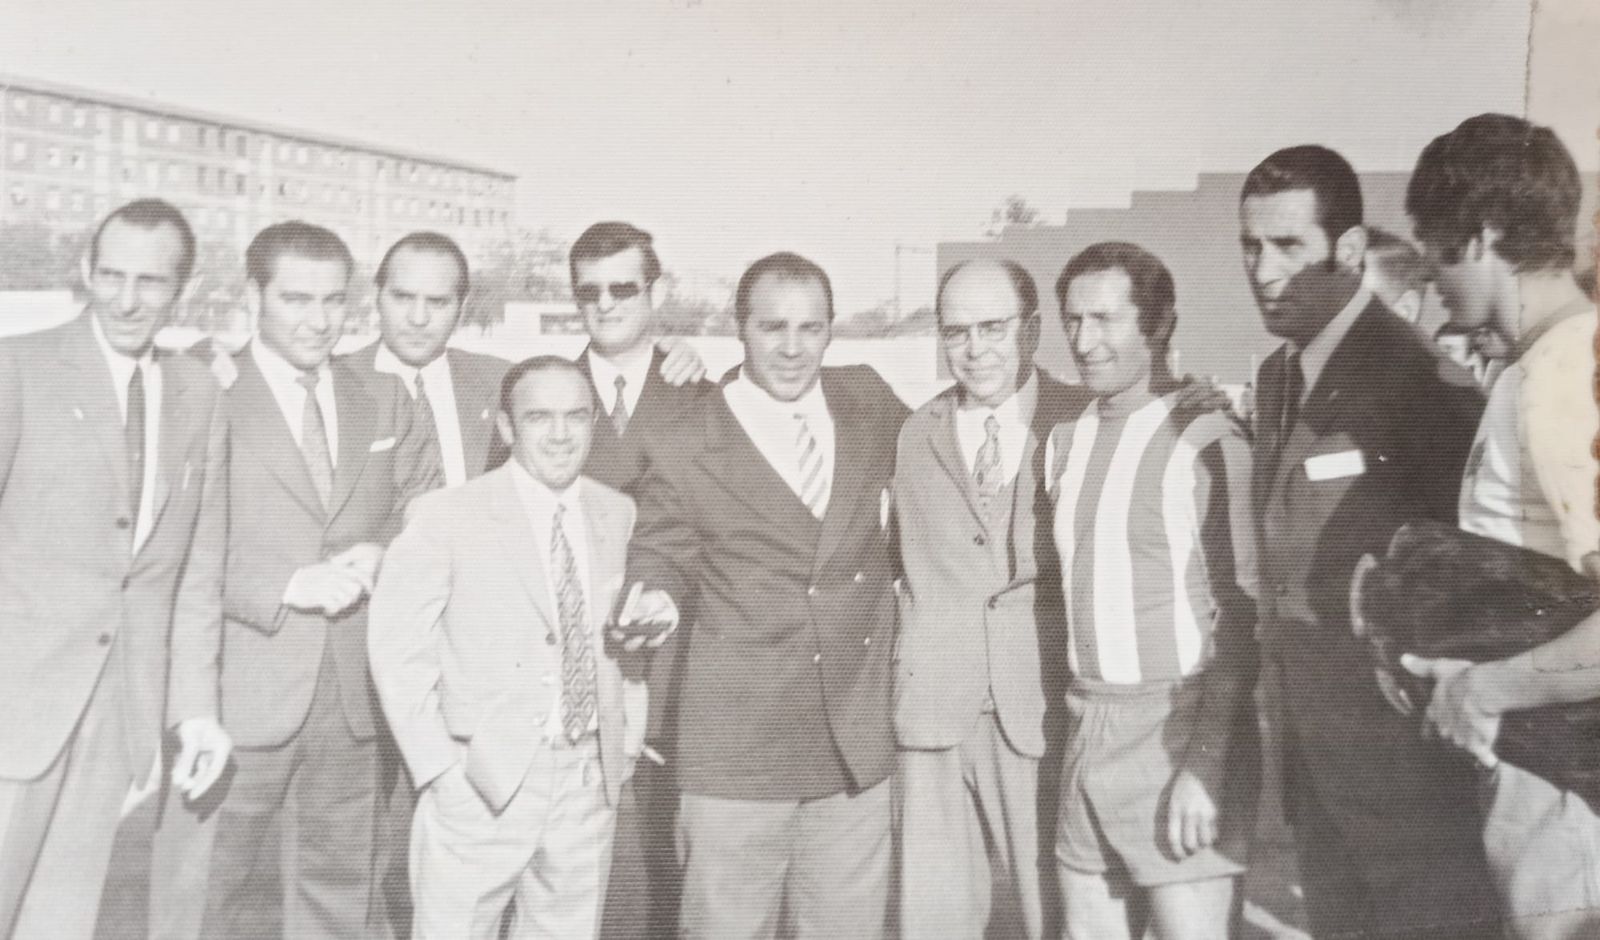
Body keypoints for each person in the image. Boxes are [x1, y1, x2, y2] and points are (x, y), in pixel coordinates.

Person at [150, 221, 441, 940]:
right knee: (203, 898)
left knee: (338, 898)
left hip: (350, 699)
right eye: (297, 300)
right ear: (253, 296)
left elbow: (423, 505)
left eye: (334, 302)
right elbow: (164, 542)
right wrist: (283, 585)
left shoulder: (384, 396)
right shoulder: (201, 386)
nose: (319, 321)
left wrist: (383, 554)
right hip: (235, 695)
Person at [1240, 144, 1496, 938]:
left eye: (1289, 246)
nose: (1262, 270)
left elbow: (1470, 571)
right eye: (1251, 246)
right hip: (1312, 752)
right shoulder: (1280, 375)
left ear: (1348, 252)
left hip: (1401, 761)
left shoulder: (1421, 380)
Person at [623, 252, 908, 938]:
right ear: (739, 329)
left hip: (853, 747)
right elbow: (661, 550)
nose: (791, 347)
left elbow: (957, 435)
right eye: (772, 326)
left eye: (811, 329)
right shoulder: (686, 437)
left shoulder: (868, 400)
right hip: (737, 750)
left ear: (832, 331)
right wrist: (654, 599)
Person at [0, 199, 232, 940]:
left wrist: (193, 708)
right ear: (85, 273)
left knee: (59, 924)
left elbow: (195, 572)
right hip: (16, 705)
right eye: (112, 275)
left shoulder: (199, 394)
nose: (128, 300)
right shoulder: (17, 368)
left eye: (152, 282)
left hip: (120, 717)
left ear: (182, 289)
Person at [369, 355, 662, 939]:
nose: (560, 434)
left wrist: (623, 741)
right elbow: (398, 653)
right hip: (480, 784)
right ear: (506, 428)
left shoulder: (616, 513)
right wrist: (439, 773)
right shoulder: (447, 515)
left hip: (585, 785)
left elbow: (624, 643)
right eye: (539, 418)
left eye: (576, 417)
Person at [1400, 113, 1600, 940]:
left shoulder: (1562, 377)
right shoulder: (1544, 364)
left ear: (1482, 237)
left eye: (1435, 250)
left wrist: (1481, 690)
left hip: (1567, 790)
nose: (1431, 277)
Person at [1045, 242, 1258, 940]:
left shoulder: (1208, 435)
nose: (1083, 341)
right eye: (1072, 320)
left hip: (1178, 726)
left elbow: (1245, 612)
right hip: (1088, 722)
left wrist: (1205, 761)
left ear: (1159, 324)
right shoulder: (1064, 441)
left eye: (1104, 320)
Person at [893, 259, 1086, 939]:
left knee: (1053, 916)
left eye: (993, 328)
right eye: (956, 332)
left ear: (1031, 329)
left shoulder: (1082, 418)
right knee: (933, 922)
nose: (974, 350)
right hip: (933, 714)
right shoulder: (914, 432)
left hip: (1035, 710)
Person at [562, 221, 714, 940]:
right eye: (589, 291)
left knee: (674, 845)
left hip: (685, 655)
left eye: (624, 287)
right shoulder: (549, 397)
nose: (606, 303)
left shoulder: (704, 390)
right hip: (581, 649)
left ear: (656, 291)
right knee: (587, 853)